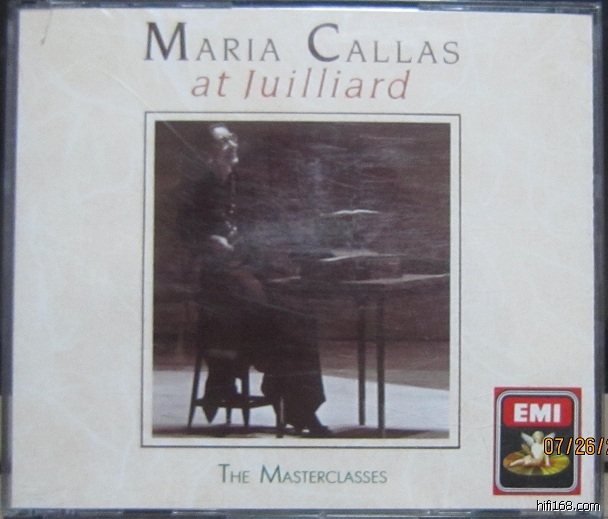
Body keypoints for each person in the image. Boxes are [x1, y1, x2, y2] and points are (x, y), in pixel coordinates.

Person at [178, 124, 329, 437]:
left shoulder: (234, 184)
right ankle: (297, 410)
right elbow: (195, 241)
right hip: (219, 294)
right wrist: (217, 246)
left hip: (244, 281)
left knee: (301, 319)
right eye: (223, 141)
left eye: (232, 138)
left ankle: (298, 405)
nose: (233, 144)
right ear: (206, 154)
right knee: (288, 324)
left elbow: (251, 237)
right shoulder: (196, 188)